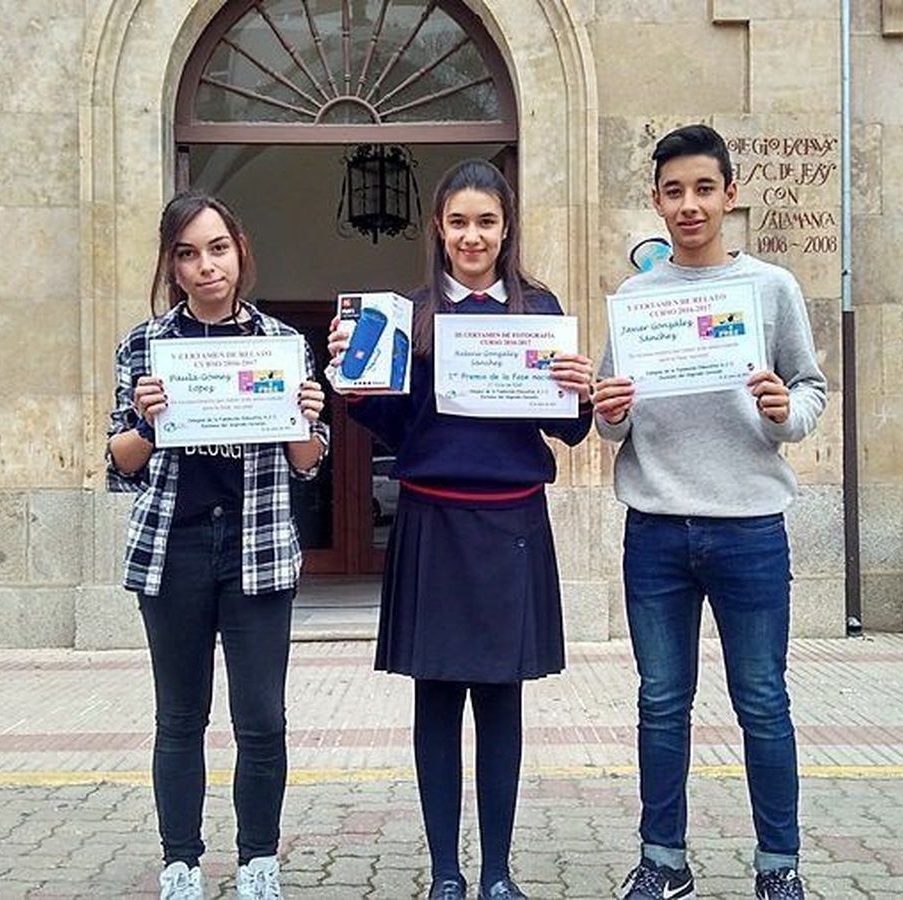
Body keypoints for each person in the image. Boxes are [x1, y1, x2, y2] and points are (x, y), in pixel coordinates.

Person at [329, 159, 594, 900]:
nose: (471, 237)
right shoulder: (404, 315)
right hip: (431, 517)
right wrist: (354, 382)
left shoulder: (539, 311)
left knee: (502, 700)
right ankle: (446, 871)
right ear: (438, 231)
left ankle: (497, 872)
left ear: (506, 229)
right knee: (437, 701)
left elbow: (567, 429)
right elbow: (390, 422)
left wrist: (578, 393)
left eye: (486, 222)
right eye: (458, 223)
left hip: (511, 521)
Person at [592, 124, 828, 900]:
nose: (688, 204)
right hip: (656, 526)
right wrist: (613, 411)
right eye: (672, 191)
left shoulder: (769, 289)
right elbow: (609, 416)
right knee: (662, 702)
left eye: (703, 188)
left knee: (762, 698)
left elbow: (810, 388)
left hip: (749, 528)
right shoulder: (634, 300)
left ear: (730, 194)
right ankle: (663, 860)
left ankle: (777, 865)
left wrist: (783, 410)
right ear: (657, 203)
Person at [106, 191, 330, 900]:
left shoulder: (280, 344)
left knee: (261, 717)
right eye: (189, 254)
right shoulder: (145, 344)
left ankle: (259, 861)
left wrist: (306, 415)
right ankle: (181, 863)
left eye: (218, 249)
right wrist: (146, 422)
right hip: (174, 548)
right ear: (173, 266)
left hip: (257, 546)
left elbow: (308, 461)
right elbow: (119, 461)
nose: (207, 267)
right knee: (179, 715)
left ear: (240, 251)